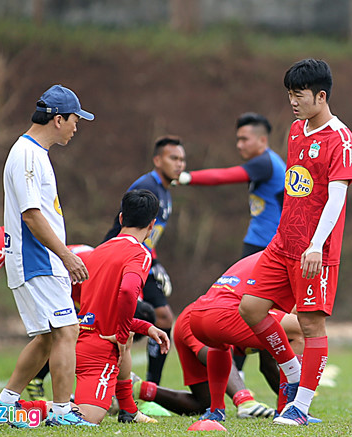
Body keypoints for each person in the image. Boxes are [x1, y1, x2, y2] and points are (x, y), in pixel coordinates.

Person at [238, 58, 352, 426]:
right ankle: (292, 372)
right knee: (251, 309)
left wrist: (316, 245)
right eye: (289, 94)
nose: (293, 101)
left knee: (310, 327)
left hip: (313, 251)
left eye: (299, 95)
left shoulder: (340, 139)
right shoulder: (294, 130)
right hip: (282, 244)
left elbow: (335, 198)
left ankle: (300, 406)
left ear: (321, 96)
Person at [0, 84, 94, 428]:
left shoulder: (34, 154)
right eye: (75, 120)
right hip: (37, 259)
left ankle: (4, 403)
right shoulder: (27, 156)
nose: (77, 128)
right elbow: (31, 215)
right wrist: (66, 255)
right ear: (58, 119)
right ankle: (63, 411)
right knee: (67, 330)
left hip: (41, 259)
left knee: (51, 336)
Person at [136, 252, 304, 420]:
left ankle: (134, 388)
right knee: (297, 330)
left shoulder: (277, 269)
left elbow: (269, 365)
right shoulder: (286, 263)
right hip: (212, 316)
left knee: (202, 403)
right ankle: (246, 401)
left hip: (198, 314)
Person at [73, 190, 170, 424]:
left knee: (124, 339)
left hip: (80, 338)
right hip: (99, 351)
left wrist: (146, 328)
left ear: (120, 219)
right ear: (152, 225)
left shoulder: (98, 251)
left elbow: (104, 309)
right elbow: (127, 292)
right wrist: (123, 334)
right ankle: (16, 411)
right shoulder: (140, 254)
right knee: (85, 419)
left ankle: (129, 410)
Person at [104, 135, 186, 385]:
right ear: (157, 160)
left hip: (141, 258)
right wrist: (150, 261)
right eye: (174, 158)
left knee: (162, 317)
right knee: (97, 322)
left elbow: (149, 236)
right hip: (124, 257)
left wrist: (156, 262)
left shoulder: (165, 189)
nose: (180, 164)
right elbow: (131, 230)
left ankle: (151, 387)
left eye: (182, 159)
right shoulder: (147, 186)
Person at [178, 112, 285, 258]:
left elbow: (221, 176)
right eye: (238, 140)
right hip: (261, 240)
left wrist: (185, 177)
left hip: (266, 243)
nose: (239, 145)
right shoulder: (268, 161)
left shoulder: (265, 164)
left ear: (262, 140)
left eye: (244, 139)